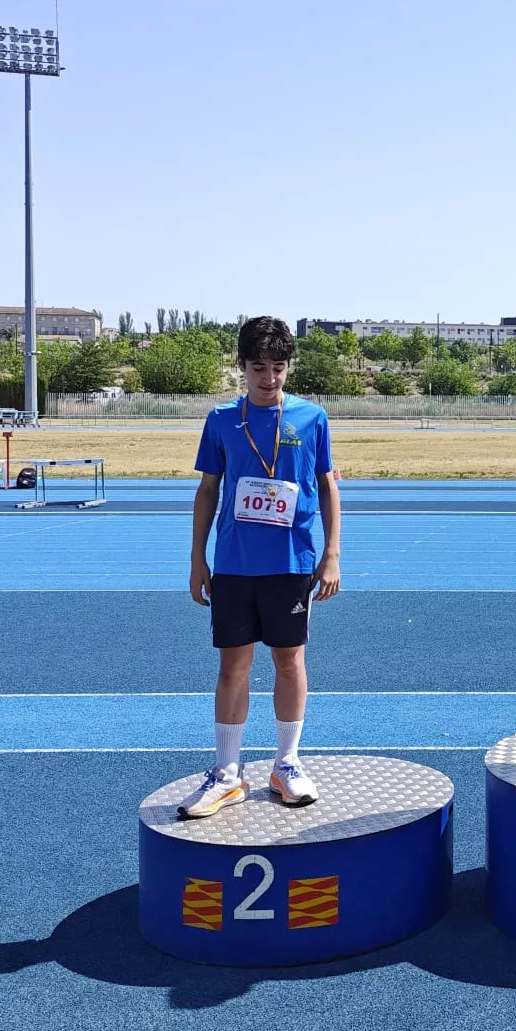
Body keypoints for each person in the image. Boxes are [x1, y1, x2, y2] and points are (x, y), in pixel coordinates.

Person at [179, 316, 342, 818]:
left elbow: (328, 486)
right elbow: (208, 490)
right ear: (241, 366)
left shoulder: (312, 418)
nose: (269, 378)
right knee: (233, 665)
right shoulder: (221, 420)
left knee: (289, 661)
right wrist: (197, 558)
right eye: (258, 368)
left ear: (289, 366)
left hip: (291, 563)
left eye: (278, 367)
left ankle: (286, 763)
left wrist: (332, 554)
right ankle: (227, 772)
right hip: (233, 564)